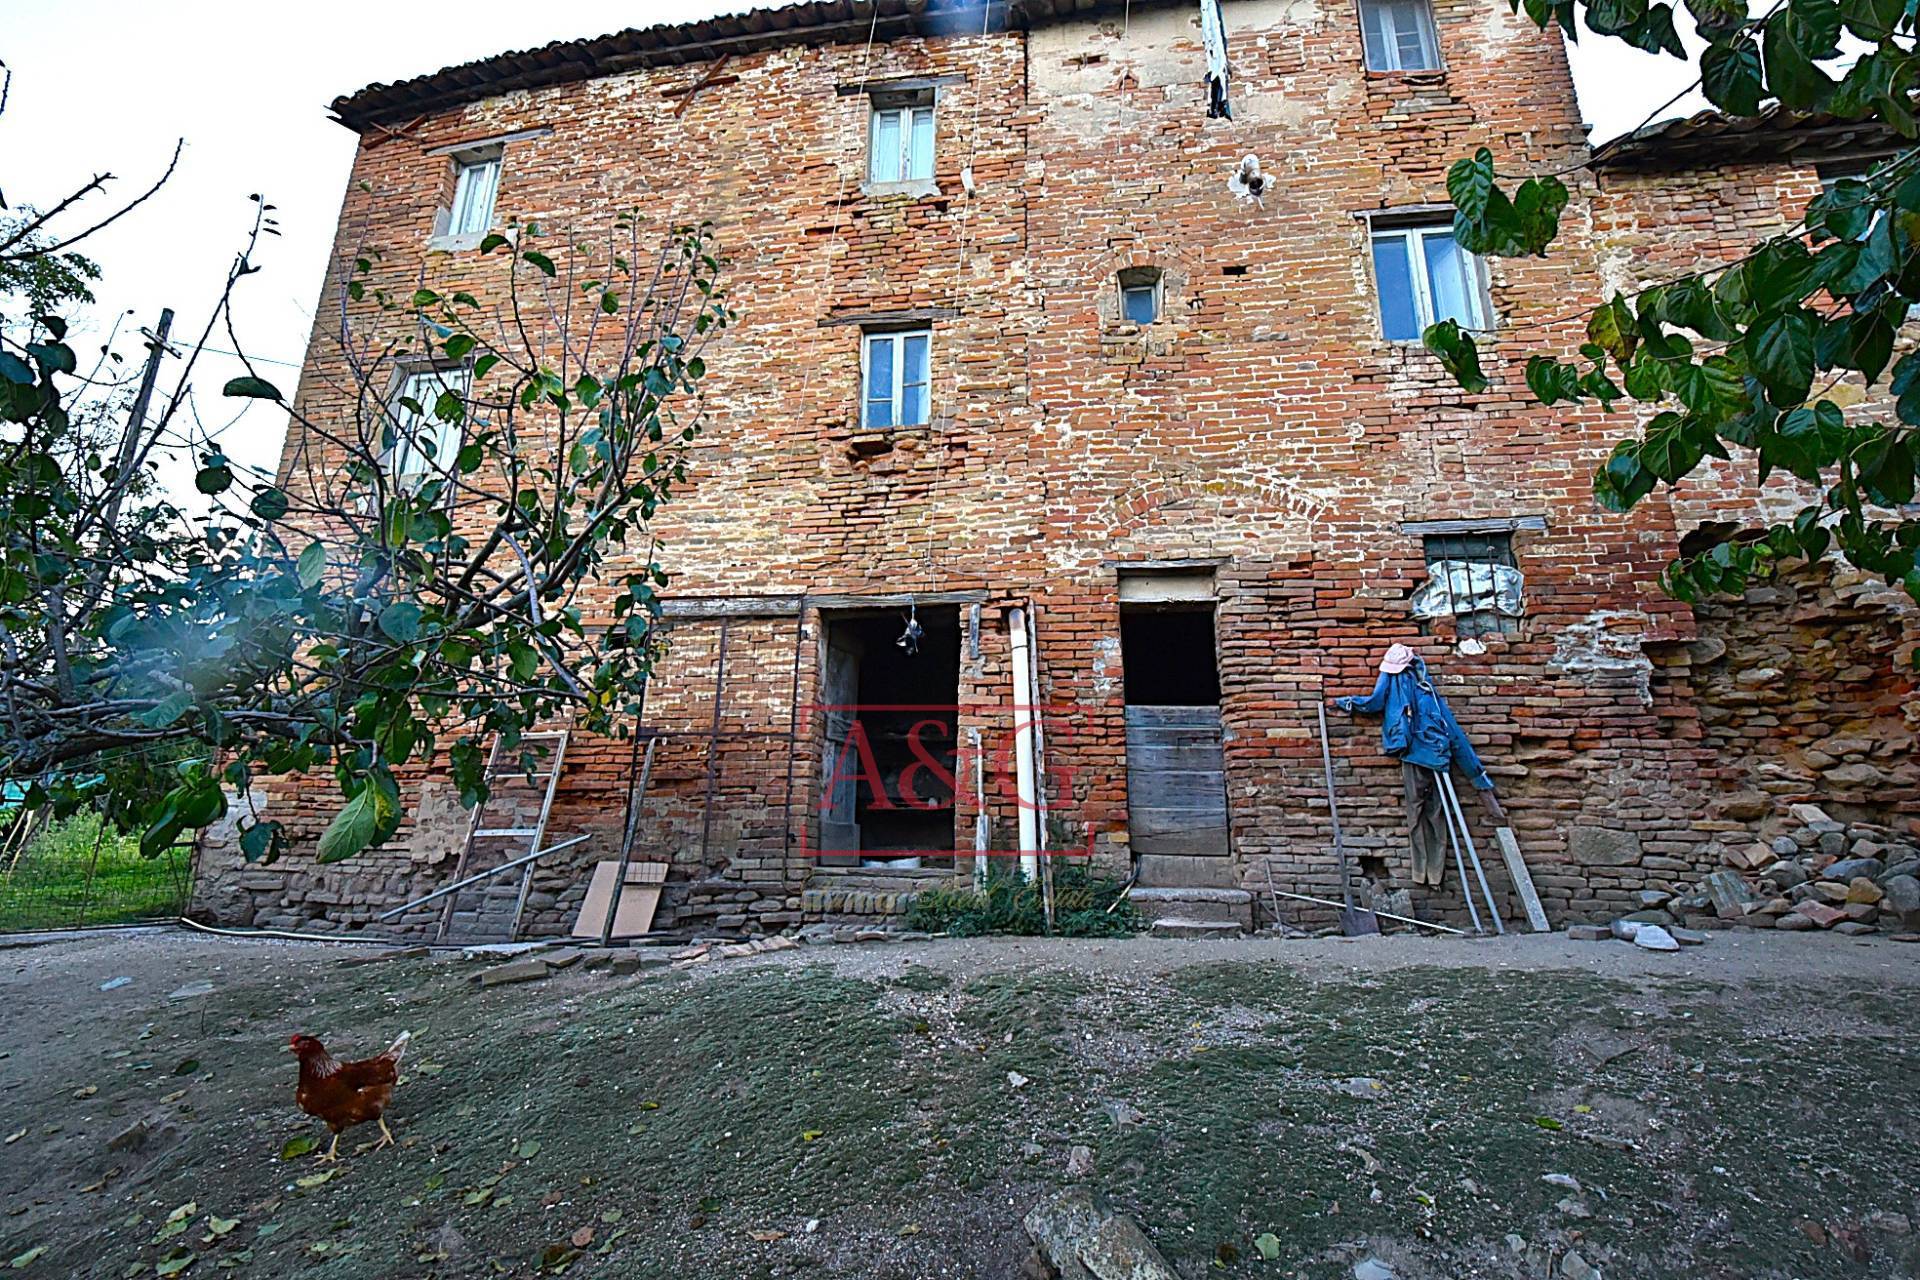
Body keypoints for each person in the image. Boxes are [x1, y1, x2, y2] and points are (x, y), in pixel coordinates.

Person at [1333, 643, 1505, 887]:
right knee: (1435, 815)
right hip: (1435, 754)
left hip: (1417, 753)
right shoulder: (1425, 687)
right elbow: (1452, 731)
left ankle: (1424, 872)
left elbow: (1374, 702)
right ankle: (1433, 874)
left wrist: (1346, 702)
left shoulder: (1402, 683)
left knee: (1419, 813)